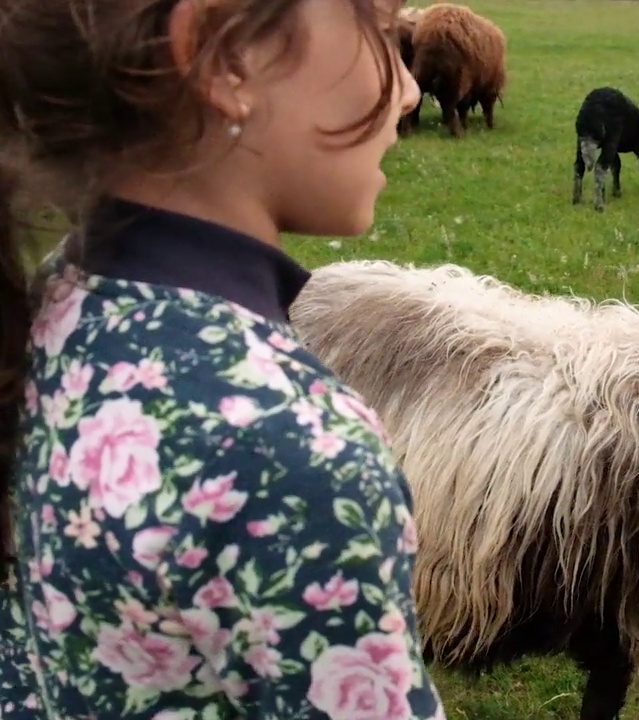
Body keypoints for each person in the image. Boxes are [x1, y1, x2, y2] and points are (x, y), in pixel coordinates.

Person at [0, 1, 447, 718]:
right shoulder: (293, 453)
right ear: (225, 55)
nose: (409, 89)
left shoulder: (63, 295)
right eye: (382, 35)